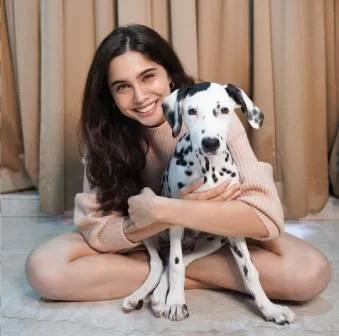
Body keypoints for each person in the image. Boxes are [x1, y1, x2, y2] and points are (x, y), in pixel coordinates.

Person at [25, 24, 331, 303]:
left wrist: (165, 209)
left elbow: (266, 214)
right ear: (111, 96)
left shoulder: (210, 112)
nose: (140, 96)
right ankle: (186, 273)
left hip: (212, 236)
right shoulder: (102, 137)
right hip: (142, 242)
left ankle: (171, 274)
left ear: (169, 74)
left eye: (148, 77)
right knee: (45, 269)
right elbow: (99, 232)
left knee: (310, 272)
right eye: (122, 86)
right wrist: (152, 223)